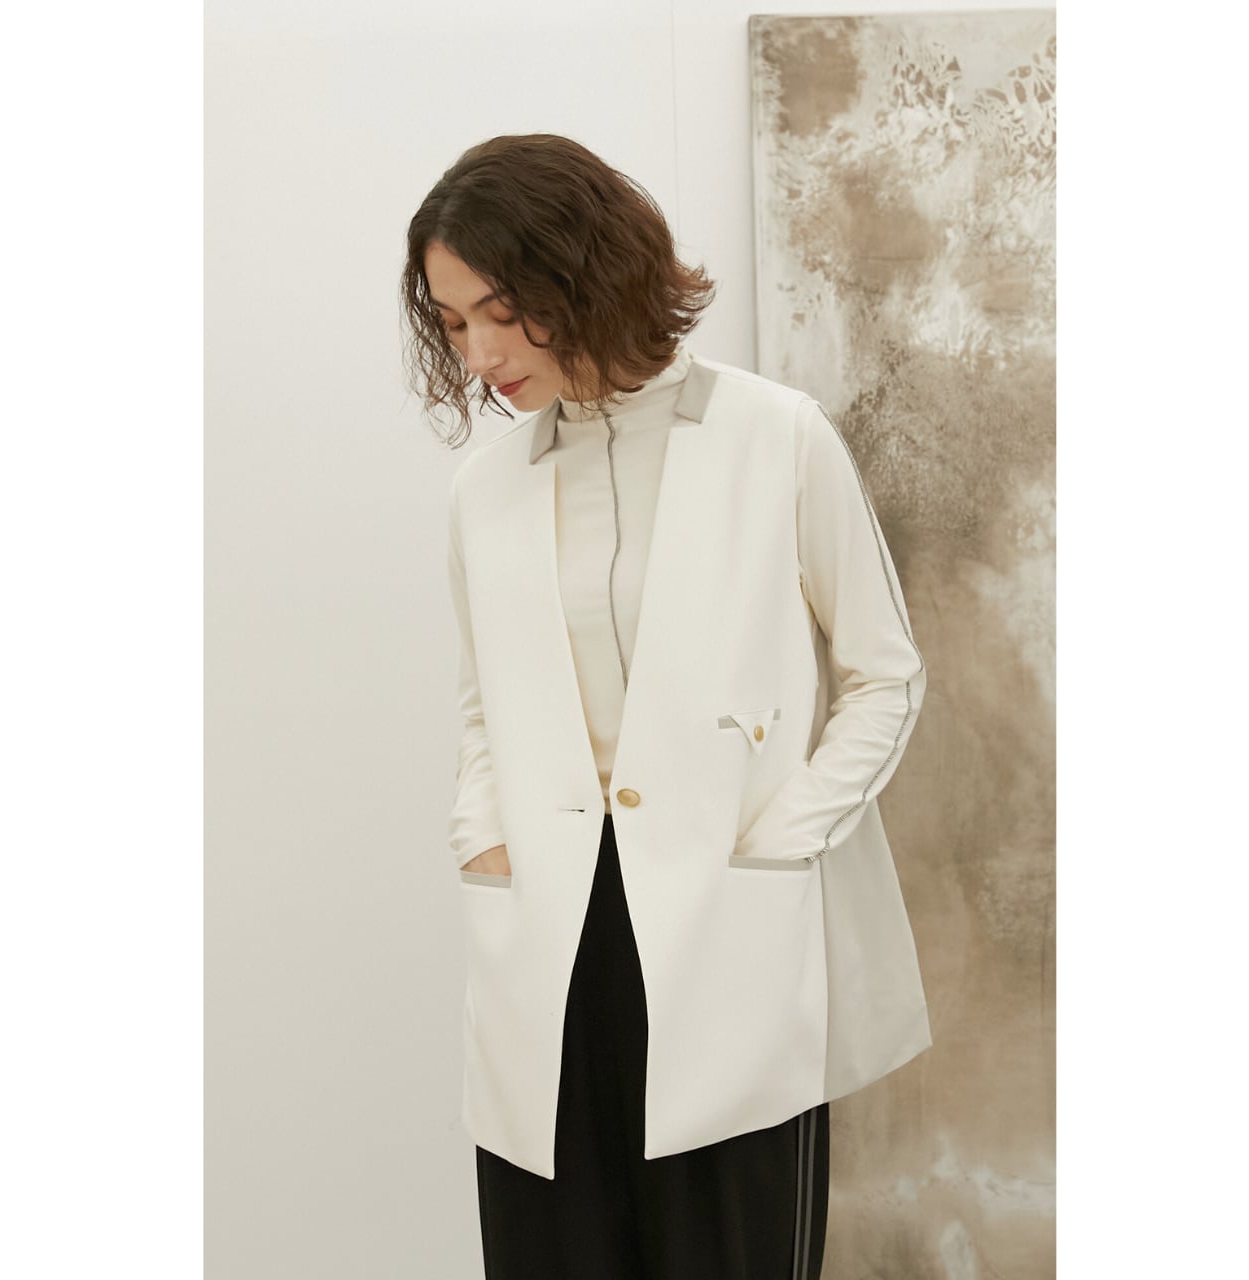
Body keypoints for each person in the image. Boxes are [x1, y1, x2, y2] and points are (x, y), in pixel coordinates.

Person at [399, 133, 931, 1280]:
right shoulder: (483, 488)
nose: (479, 353)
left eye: (503, 312)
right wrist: (479, 838)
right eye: (451, 321)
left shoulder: (773, 436)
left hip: (722, 924)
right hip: (546, 941)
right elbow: (483, 705)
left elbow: (883, 672)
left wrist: (779, 842)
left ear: (585, 273)